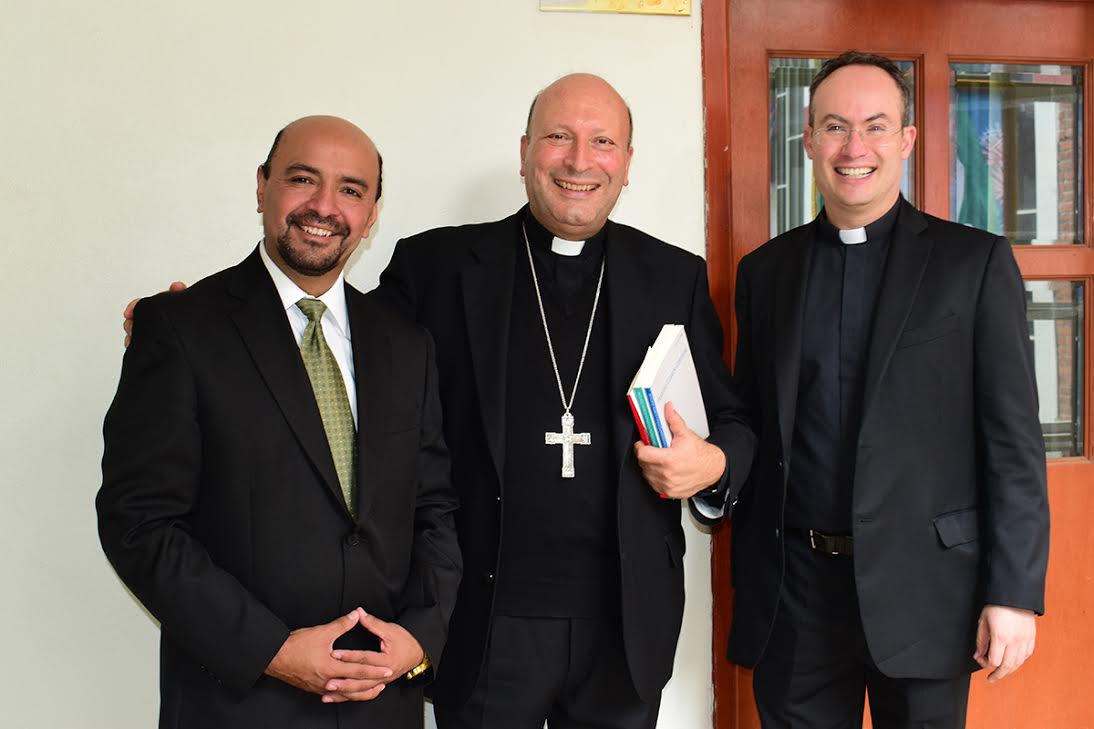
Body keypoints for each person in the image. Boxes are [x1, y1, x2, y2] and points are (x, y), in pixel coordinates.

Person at [375, 73, 755, 729]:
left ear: (628, 164)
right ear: (525, 151)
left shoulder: (672, 276)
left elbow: (731, 419)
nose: (580, 161)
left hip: (623, 624)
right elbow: (345, 362)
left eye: (602, 141)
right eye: (559, 137)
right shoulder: (434, 267)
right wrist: (210, 324)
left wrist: (714, 464)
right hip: (483, 617)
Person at [695, 51, 1050, 729]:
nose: (854, 147)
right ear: (807, 140)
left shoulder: (971, 264)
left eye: (876, 126)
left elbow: (1012, 441)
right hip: (794, 595)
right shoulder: (765, 273)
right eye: (834, 126)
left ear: (907, 140)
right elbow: (749, 419)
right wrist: (709, 468)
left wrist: (1013, 591)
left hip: (926, 592)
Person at [98, 115, 462, 729]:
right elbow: (139, 522)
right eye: (302, 179)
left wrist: (419, 639)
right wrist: (270, 649)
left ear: (372, 213)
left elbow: (435, 510)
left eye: (351, 189)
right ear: (262, 186)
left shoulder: (408, 345)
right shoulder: (182, 329)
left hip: (381, 704)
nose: (324, 206)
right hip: (235, 702)